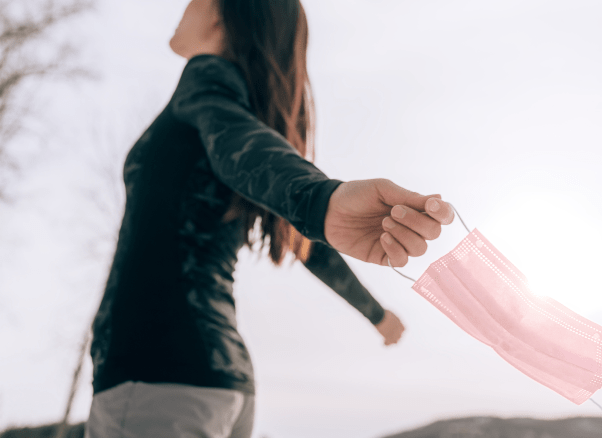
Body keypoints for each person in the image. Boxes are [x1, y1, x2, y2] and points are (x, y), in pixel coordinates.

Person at [84, 0, 454, 436]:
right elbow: (308, 242)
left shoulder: (207, 85)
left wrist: (320, 199)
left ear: (224, 12)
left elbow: (239, 142)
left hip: (156, 373)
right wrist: (376, 314)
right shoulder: (236, 111)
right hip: (222, 382)